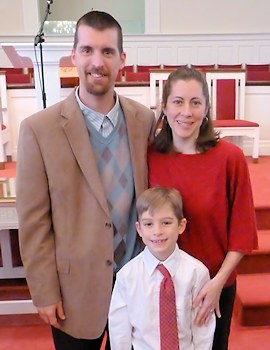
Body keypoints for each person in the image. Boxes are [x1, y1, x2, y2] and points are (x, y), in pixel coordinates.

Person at [16, 10, 155, 350]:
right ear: (74, 55)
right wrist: (44, 291)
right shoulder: (39, 130)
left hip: (135, 284)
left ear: (122, 59)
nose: (97, 61)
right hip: (74, 293)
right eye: (89, 50)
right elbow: (34, 222)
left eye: (108, 51)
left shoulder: (144, 120)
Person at [147, 67, 258, 350]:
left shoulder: (229, 158)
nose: (186, 112)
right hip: (161, 286)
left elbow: (243, 232)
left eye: (196, 102)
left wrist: (218, 283)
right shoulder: (149, 156)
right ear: (164, 106)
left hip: (213, 285)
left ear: (207, 107)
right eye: (178, 101)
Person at [109, 186, 215, 349]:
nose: (157, 231)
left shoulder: (197, 273)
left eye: (166, 223)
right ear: (139, 229)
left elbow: (202, 328)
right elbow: (119, 330)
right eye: (149, 224)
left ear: (181, 225)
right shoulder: (127, 276)